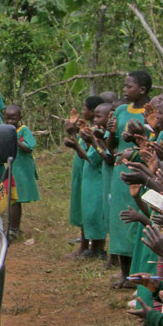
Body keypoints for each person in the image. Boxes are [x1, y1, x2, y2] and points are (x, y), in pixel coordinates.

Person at [107, 70, 151, 289]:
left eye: (128, 87)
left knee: (138, 220)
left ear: (142, 90)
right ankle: (124, 273)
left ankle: (138, 274)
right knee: (120, 220)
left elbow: (151, 142)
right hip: (119, 172)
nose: (124, 91)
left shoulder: (151, 112)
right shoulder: (122, 110)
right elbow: (112, 145)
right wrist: (110, 134)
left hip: (141, 172)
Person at [63, 96, 103, 258]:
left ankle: (96, 248)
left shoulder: (97, 132)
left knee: (93, 210)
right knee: (83, 207)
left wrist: (75, 138)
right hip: (83, 171)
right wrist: (72, 132)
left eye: (85, 109)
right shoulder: (86, 128)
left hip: (92, 173)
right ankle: (85, 245)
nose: (82, 112)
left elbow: (88, 152)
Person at [3, 105, 39, 239]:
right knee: (12, 199)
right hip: (12, 168)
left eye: (14, 118)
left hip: (22, 169)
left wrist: (16, 141)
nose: (10, 121)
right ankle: (12, 228)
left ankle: (14, 229)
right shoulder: (6, 129)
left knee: (16, 199)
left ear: (20, 118)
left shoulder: (23, 130)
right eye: (8, 118)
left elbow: (29, 148)